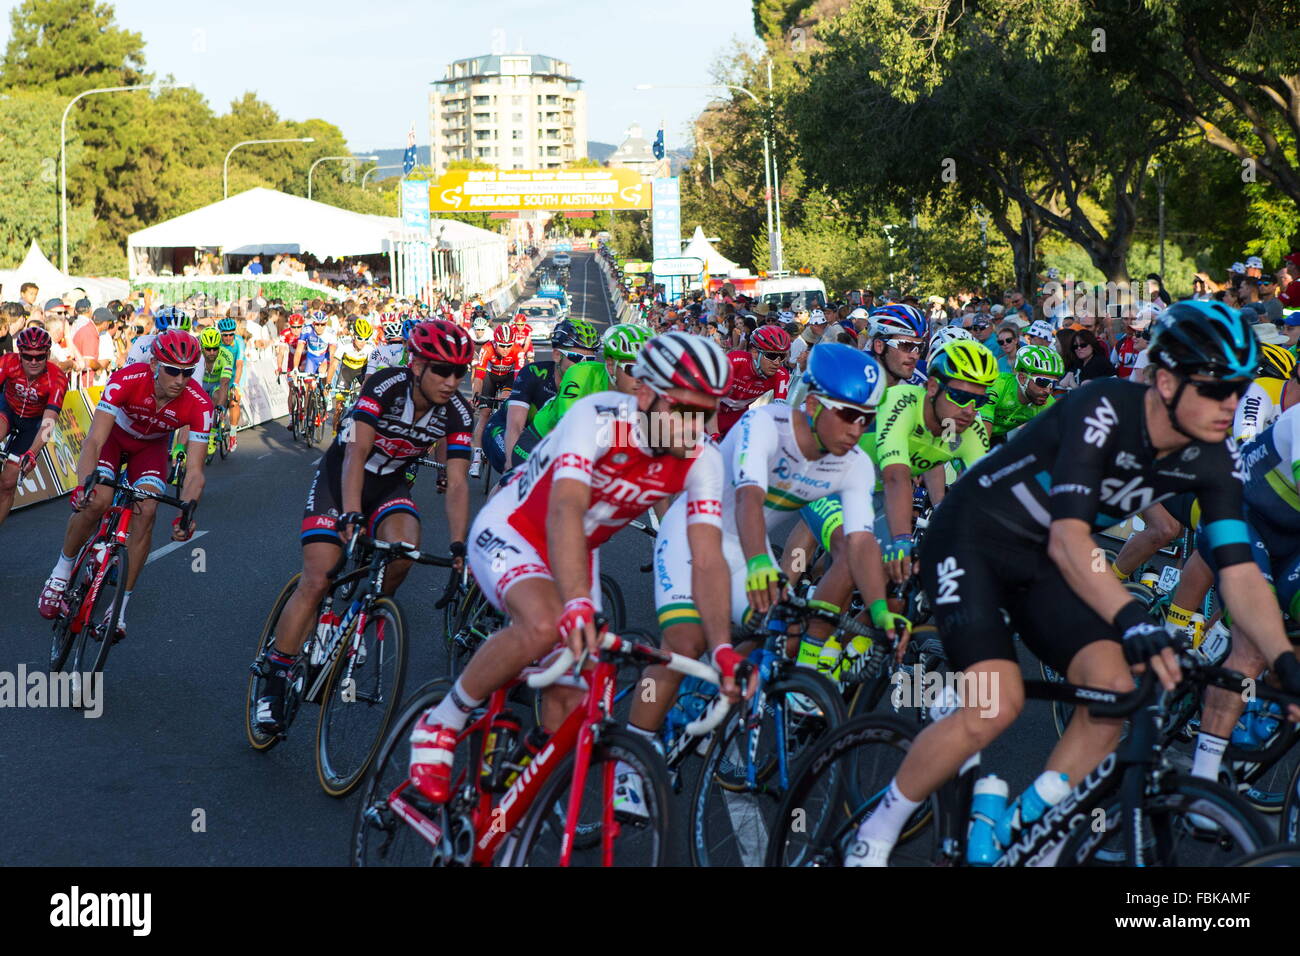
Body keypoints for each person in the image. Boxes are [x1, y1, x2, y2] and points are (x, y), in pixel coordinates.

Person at [845, 299, 1295, 867]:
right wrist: (1135, 621)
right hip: (974, 538)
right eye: (1214, 388)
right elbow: (1068, 539)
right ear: (1164, 381)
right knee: (995, 702)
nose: (1230, 403)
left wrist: (1284, 660)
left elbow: (1240, 574)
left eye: (1239, 388)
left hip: (1042, 561)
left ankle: (1021, 829)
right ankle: (872, 839)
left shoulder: (1215, 458)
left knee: (1116, 691)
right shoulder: (1103, 407)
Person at [407, 333, 735, 807]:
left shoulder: (701, 457)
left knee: (569, 703)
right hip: (518, 528)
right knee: (545, 625)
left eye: (708, 412)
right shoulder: (599, 417)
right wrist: (578, 603)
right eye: (684, 408)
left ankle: (508, 812)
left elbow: (706, 557)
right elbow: (564, 509)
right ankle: (442, 722)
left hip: (578, 548)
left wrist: (722, 648)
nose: (695, 426)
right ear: (644, 394)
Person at [254, 320, 475, 734]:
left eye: (460, 373)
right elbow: (356, 453)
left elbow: (459, 481)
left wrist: (460, 546)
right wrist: (352, 514)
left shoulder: (458, 412)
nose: (452, 381)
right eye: (443, 371)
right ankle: (274, 678)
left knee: (405, 549)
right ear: (417, 364)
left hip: (391, 484)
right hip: (342, 481)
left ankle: (365, 611)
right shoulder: (386, 386)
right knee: (319, 577)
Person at [36, 331, 211, 636]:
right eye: (172, 370)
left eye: (187, 372)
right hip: (113, 440)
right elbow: (94, 440)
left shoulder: (199, 404)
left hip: (151, 450)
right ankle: (61, 573)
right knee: (98, 500)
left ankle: (118, 610)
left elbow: (195, 471)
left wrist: (188, 512)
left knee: (147, 510)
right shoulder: (128, 379)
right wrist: (84, 485)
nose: (180, 380)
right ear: (155, 363)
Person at [0, 327, 68, 527]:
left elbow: (49, 421)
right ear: (20, 354)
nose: (33, 362)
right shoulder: (7, 363)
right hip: (7, 410)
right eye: (28, 356)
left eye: (39, 357)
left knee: (8, 483)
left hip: (33, 422)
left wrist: (32, 452)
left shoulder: (57, 378)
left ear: (47, 354)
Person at [716, 324, 791, 437]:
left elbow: (779, 410)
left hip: (737, 417)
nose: (777, 362)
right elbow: (706, 396)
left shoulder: (781, 375)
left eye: (782, 356)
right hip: (708, 409)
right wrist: (713, 433)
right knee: (689, 450)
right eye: (771, 355)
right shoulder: (735, 361)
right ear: (755, 352)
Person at [980, 345, 1063, 442]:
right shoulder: (998, 385)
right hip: (971, 429)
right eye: (1042, 382)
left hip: (999, 436)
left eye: (1053, 384)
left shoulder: (1048, 403)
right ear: (1022, 378)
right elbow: (982, 435)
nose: (1048, 391)